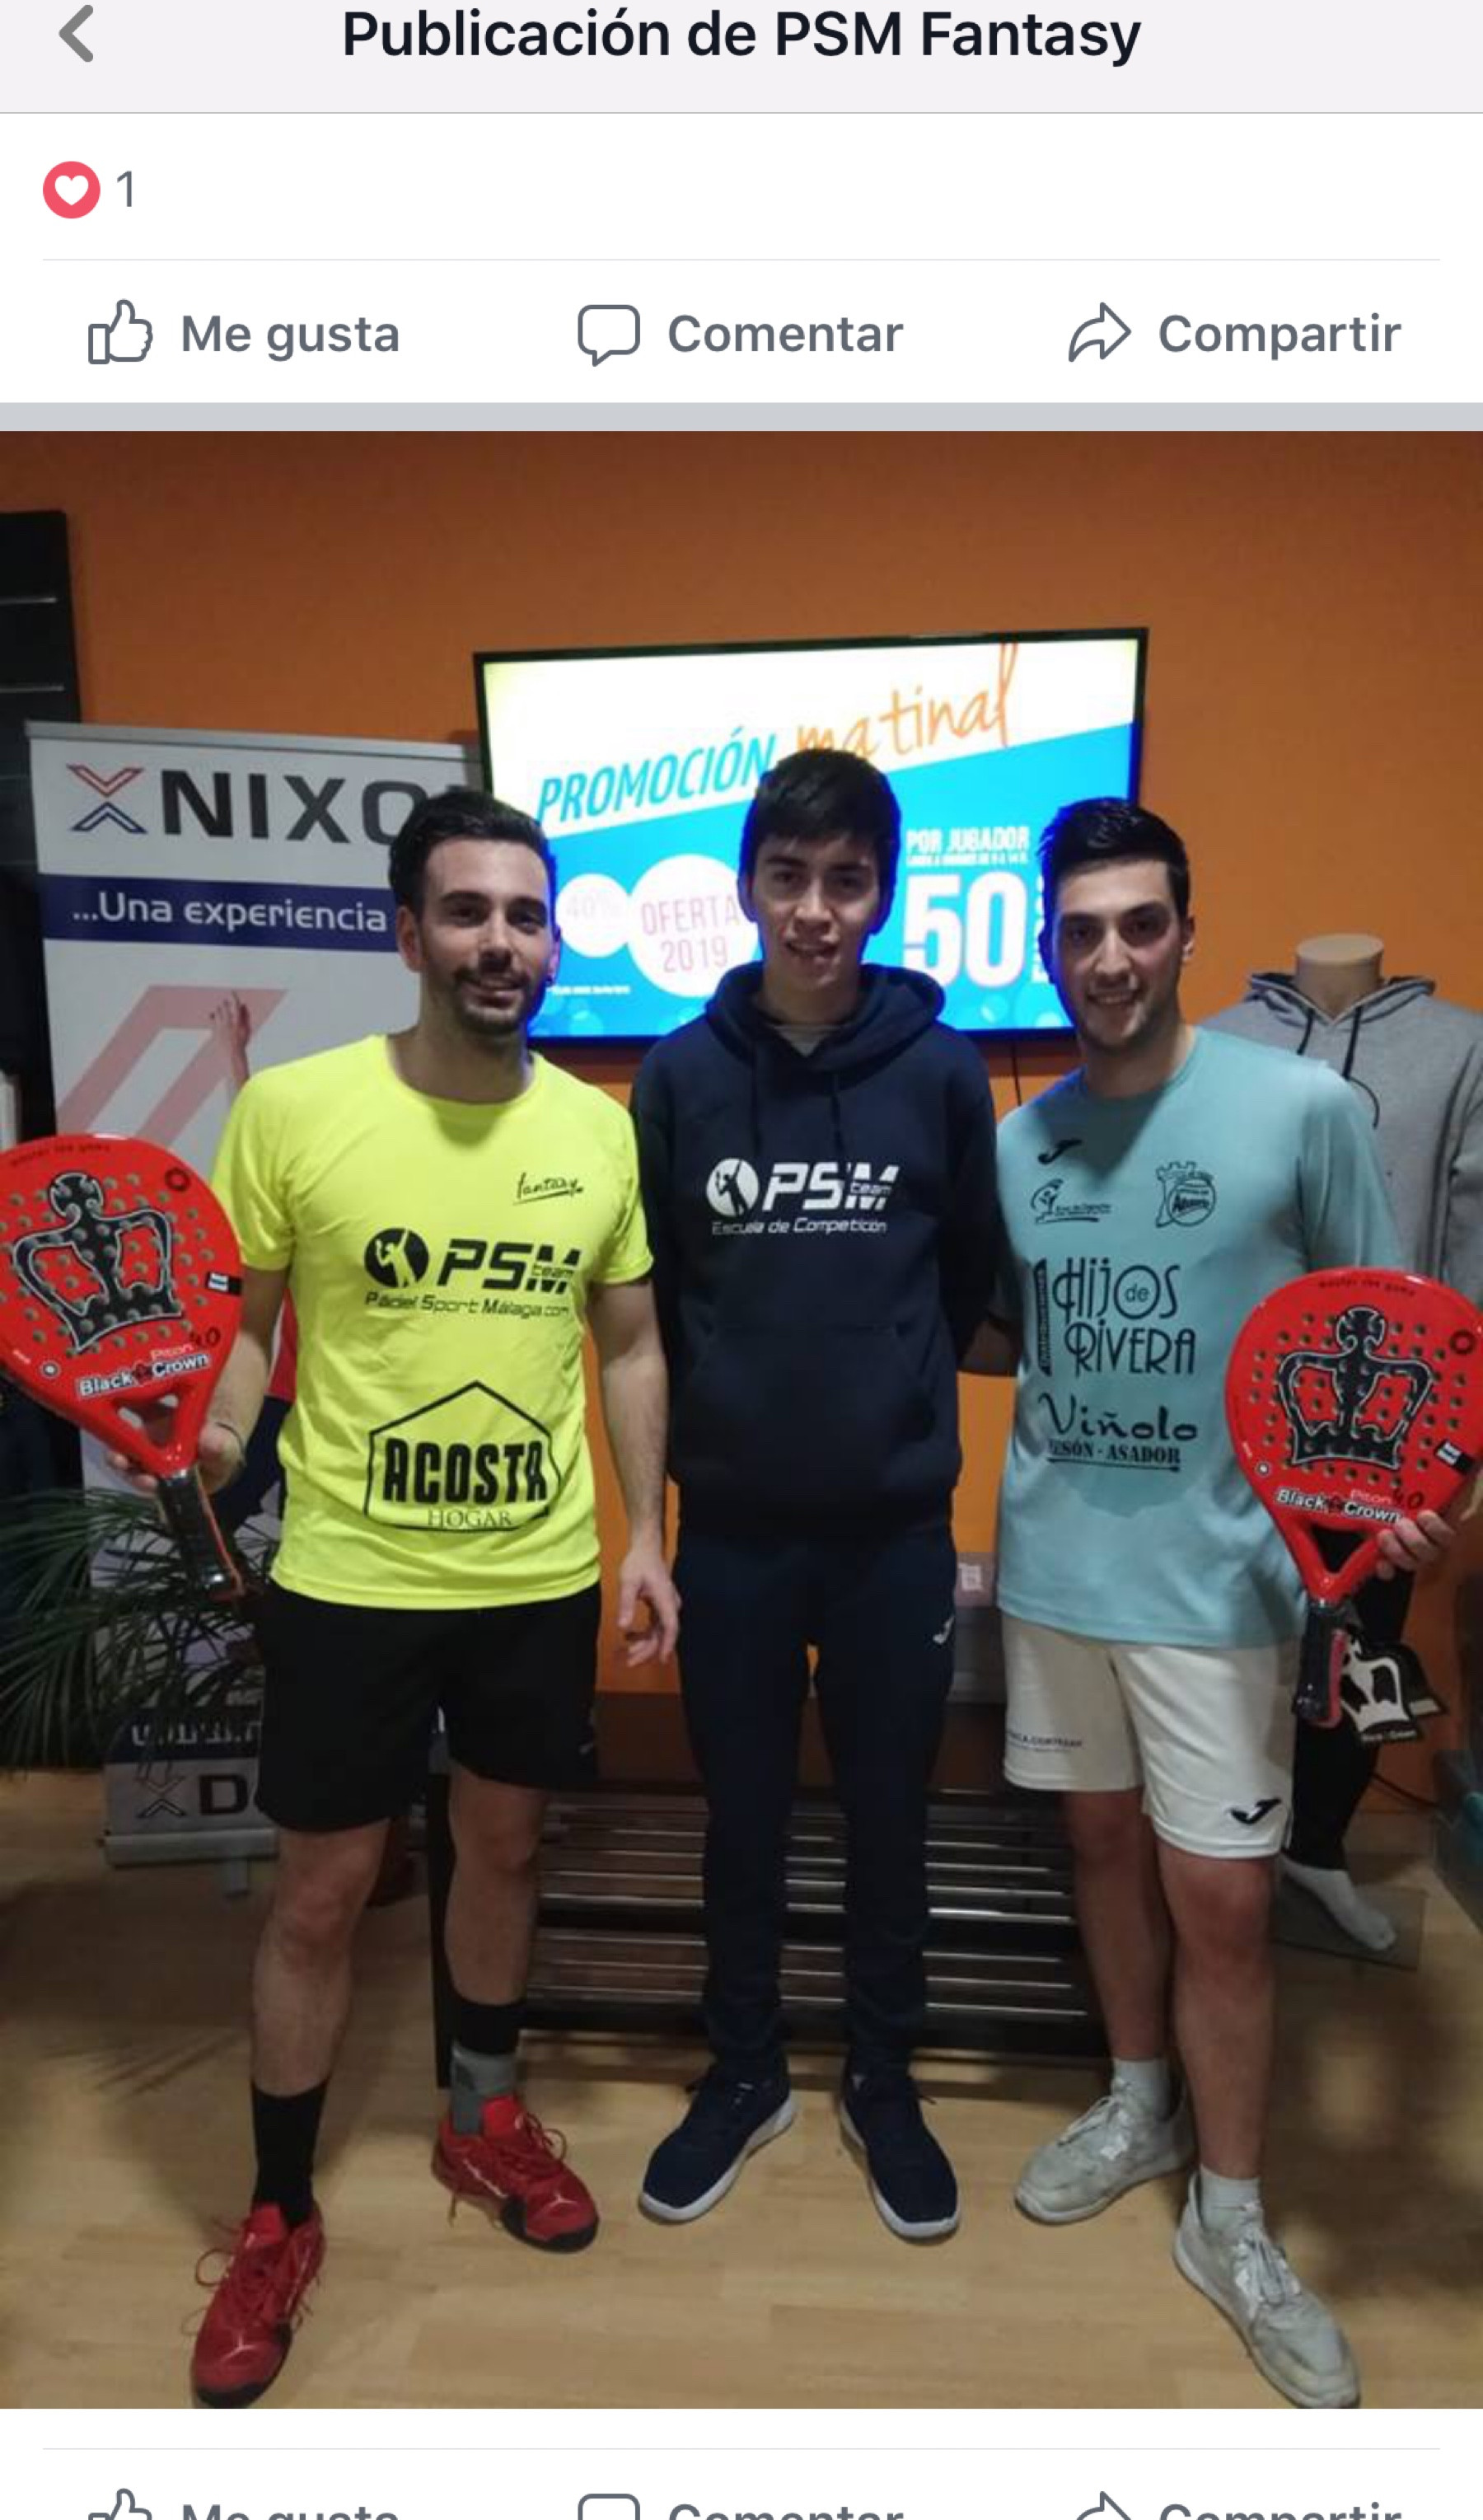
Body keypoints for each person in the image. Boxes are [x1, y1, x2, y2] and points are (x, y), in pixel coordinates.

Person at [124, 787, 677, 2409]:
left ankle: (480, 2117)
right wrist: (221, 1438)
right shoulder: (293, 1110)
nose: (501, 941)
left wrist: (649, 1535)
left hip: (531, 1574)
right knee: (322, 1893)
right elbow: (246, 1323)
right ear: (408, 932)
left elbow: (629, 1341)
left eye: (526, 914)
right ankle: (278, 2214)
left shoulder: (595, 1131)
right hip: (352, 1575)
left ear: (551, 940)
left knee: (500, 1848)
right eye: (467, 911)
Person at [969, 797, 1454, 2408]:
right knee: (1101, 1847)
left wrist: (1408, 1498)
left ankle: (1232, 2219)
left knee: (1228, 1901)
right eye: (1081, 930)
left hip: (1226, 1580)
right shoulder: (1018, 1145)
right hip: (1056, 1569)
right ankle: (1137, 2100)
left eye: (1140, 923)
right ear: (1050, 948)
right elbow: (1009, 1336)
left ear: (1186, 929)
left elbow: (1377, 1332)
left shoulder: (1298, 1107)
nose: (1109, 957)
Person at [631, 749, 1003, 2241]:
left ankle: (882, 2077)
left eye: (847, 881)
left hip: (893, 1535)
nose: (815, 910)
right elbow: (653, 1303)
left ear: (884, 893)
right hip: (730, 1530)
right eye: (788, 877)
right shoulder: (679, 1077)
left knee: (889, 1821)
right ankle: (743, 2073)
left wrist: (891, 1400)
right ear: (747, 887)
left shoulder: (942, 1071)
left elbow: (966, 1276)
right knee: (741, 1820)